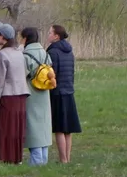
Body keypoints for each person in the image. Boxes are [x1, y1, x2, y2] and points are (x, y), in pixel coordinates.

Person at [0, 21, 28, 165]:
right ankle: (16, 156)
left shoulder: (2, 55)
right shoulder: (19, 53)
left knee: (5, 126)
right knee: (17, 126)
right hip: (21, 95)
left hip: (8, 96)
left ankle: (7, 155)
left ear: (3, 38)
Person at [20, 26, 53, 166]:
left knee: (33, 128)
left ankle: (36, 161)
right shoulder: (46, 54)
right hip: (44, 95)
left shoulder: (26, 56)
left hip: (31, 96)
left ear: (25, 39)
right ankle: (44, 159)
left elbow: (21, 76)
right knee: (43, 127)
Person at [49, 24, 82, 163]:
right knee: (68, 129)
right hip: (69, 90)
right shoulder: (69, 51)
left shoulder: (53, 52)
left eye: (50, 33)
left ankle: (63, 159)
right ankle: (67, 158)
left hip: (58, 93)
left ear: (57, 36)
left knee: (59, 128)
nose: (48, 35)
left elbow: (51, 74)